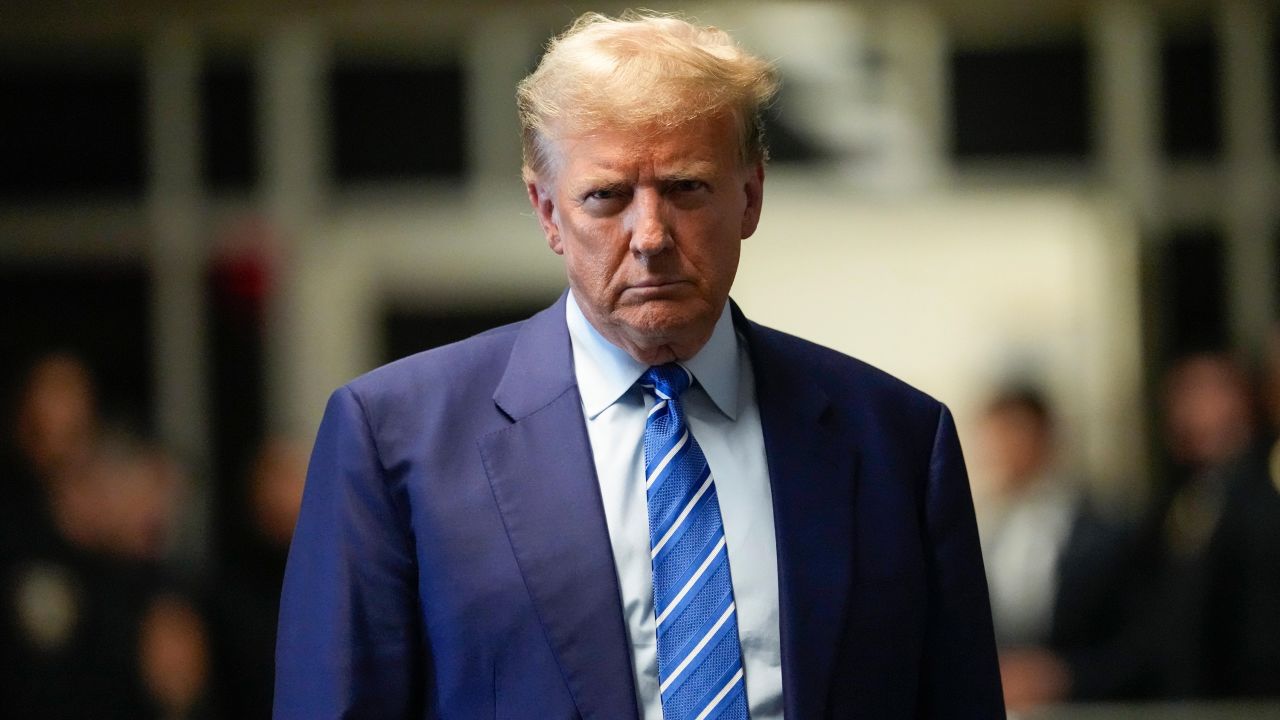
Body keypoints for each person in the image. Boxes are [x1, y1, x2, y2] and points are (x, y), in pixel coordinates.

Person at [275, 10, 1002, 719]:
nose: (650, 234)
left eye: (687, 188)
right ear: (547, 212)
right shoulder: (397, 440)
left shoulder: (896, 441)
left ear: (749, 195)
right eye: (606, 197)